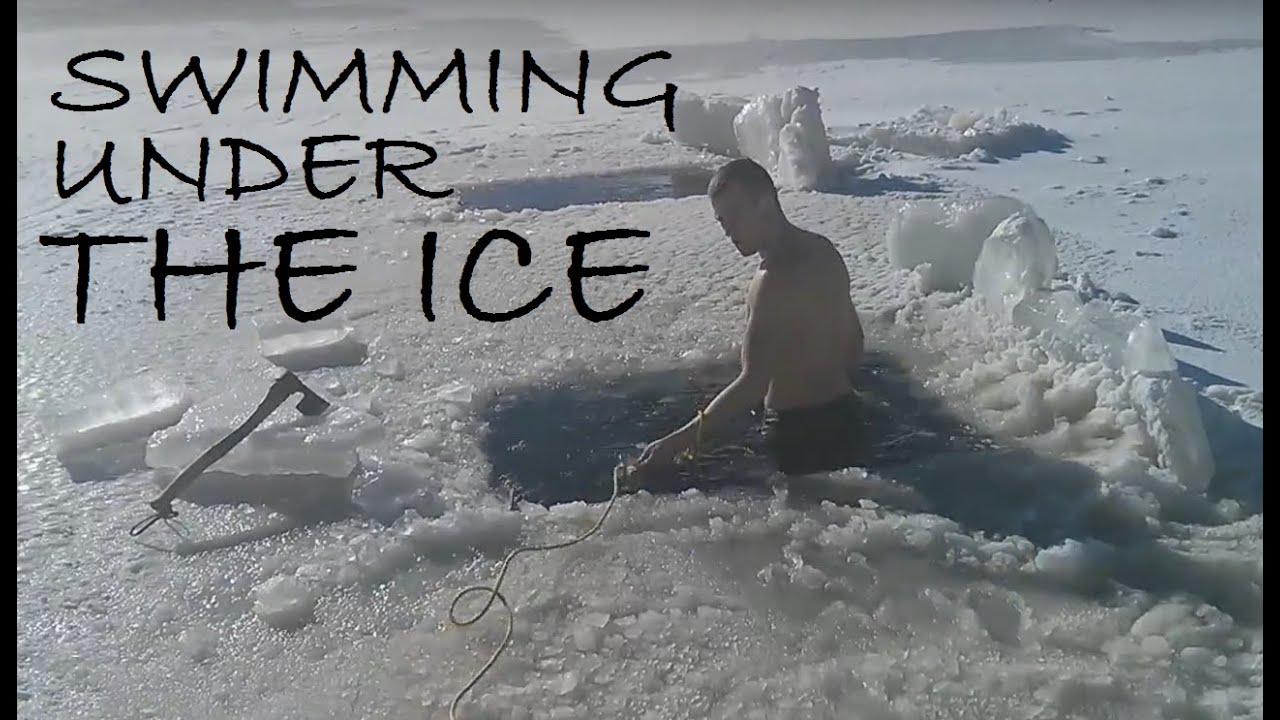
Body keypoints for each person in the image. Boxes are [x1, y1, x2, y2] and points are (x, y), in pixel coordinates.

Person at [631, 158, 867, 482]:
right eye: (722, 221)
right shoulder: (825, 252)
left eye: (736, 216)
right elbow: (854, 343)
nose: (729, 230)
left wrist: (676, 443)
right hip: (846, 416)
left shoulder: (770, 280)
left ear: (766, 201)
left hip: (796, 434)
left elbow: (753, 383)